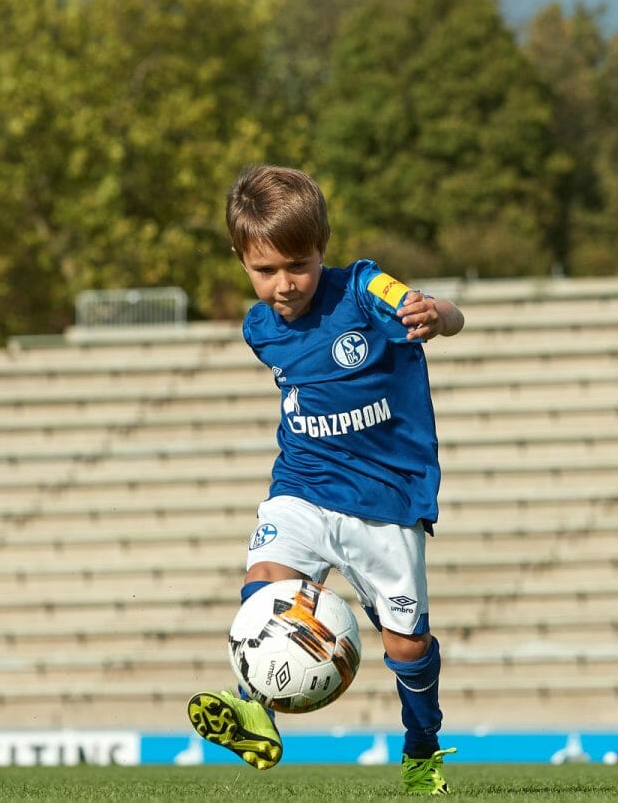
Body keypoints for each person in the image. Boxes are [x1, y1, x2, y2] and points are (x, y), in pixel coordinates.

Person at [186, 165, 465, 795]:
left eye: (299, 265)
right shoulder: (259, 329)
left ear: (324, 248)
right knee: (263, 587)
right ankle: (254, 712)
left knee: (407, 647)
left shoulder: (366, 290)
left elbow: (443, 312)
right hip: (304, 484)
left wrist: (435, 314)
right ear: (241, 261)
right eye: (265, 271)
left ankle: (422, 750)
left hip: (386, 501)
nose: (284, 285)